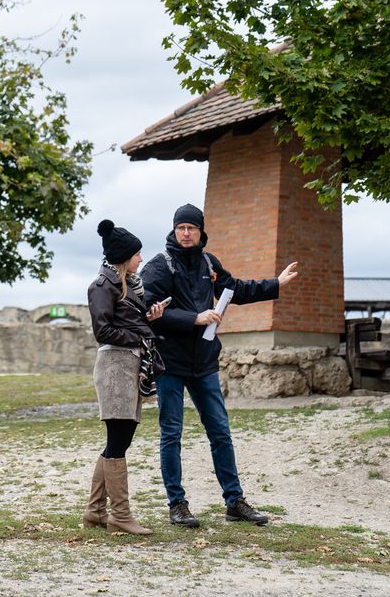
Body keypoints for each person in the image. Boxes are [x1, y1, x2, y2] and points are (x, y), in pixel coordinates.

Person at [138, 204, 299, 528]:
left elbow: (236, 289)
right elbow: (146, 308)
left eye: (191, 228)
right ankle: (177, 504)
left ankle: (234, 501)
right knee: (172, 434)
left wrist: (276, 284)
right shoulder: (159, 266)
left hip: (205, 363)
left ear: (200, 232)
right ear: (174, 230)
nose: (186, 233)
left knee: (221, 433)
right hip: (170, 362)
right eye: (181, 228)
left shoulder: (209, 263)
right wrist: (194, 318)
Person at [84, 219, 166, 535]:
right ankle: (120, 515)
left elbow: (127, 322)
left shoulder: (130, 286)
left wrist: (148, 321)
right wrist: (139, 337)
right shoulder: (101, 286)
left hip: (129, 366)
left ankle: (95, 511)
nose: (141, 259)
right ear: (124, 256)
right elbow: (102, 330)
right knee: (119, 441)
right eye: (137, 254)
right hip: (114, 367)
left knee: (120, 440)